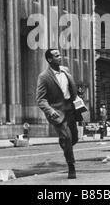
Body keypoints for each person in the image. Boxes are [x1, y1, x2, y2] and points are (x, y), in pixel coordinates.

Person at [36, 49, 79, 179]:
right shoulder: (43, 77)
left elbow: (71, 88)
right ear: (49, 60)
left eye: (60, 55)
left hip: (70, 108)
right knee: (67, 137)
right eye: (56, 56)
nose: (60, 57)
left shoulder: (65, 70)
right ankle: (71, 166)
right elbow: (40, 99)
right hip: (57, 112)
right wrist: (50, 110)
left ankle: (64, 142)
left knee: (74, 138)